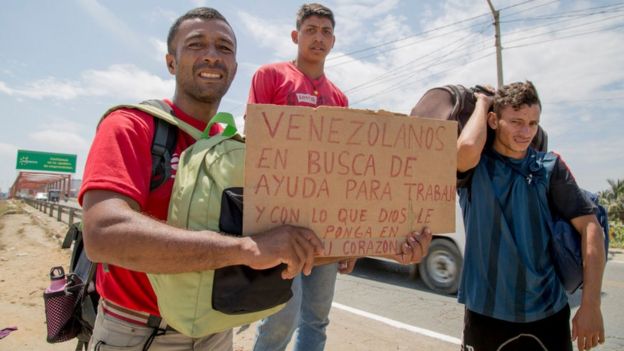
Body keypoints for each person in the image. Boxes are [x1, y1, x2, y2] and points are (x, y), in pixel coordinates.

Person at [79, 8, 327, 351]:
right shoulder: (131, 126)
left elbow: (285, 232)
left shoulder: (240, 149)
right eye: (196, 44)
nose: (212, 54)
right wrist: (244, 249)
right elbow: (102, 235)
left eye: (224, 48)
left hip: (216, 332)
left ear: (235, 69)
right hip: (137, 333)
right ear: (171, 61)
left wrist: (375, 240)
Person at [247, 3, 431, 351]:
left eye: (326, 32)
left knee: (316, 319)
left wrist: (351, 241)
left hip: (325, 232)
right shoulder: (270, 77)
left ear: (333, 41)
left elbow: (344, 173)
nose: (319, 37)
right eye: (311, 29)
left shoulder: (339, 98)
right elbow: (255, 147)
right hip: (279, 225)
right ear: (295, 35)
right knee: (280, 316)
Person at [456, 81, 606, 351]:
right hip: (486, 315)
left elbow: (591, 228)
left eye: (533, 123)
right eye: (516, 122)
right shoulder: (476, 169)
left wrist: (591, 304)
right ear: (493, 121)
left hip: (549, 313)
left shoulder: (549, 167)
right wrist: (482, 102)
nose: (525, 132)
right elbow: (465, 149)